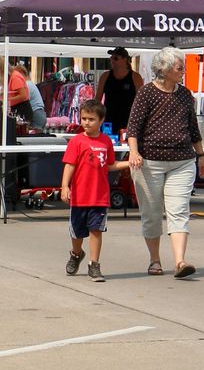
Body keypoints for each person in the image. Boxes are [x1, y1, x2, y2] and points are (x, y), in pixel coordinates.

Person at [126, 46, 204, 279]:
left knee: (179, 211)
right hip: (149, 163)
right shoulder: (146, 93)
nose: (183, 71)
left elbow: (193, 129)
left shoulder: (184, 94)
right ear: (165, 69)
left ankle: (180, 262)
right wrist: (134, 152)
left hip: (182, 161)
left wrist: (201, 156)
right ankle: (155, 260)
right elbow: (134, 127)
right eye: (180, 67)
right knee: (151, 214)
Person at [61, 99, 130, 282]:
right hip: (79, 196)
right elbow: (69, 165)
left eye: (91, 119)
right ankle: (76, 254)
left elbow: (110, 164)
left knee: (96, 230)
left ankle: (94, 265)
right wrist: (65, 186)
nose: (86, 122)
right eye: (84, 118)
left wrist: (129, 163)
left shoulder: (106, 141)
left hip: (99, 196)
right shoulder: (76, 141)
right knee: (77, 232)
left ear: (101, 121)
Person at [95, 46, 144, 134]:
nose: (112, 60)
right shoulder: (105, 76)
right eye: (111, 58)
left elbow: (141, 101)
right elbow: (97, 99)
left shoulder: (135, 77)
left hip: (129, 120)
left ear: (125, 59)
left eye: (116, 58)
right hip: (109, 120)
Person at [0, 56, 33, 125]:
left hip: (22, 111)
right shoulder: (11, 77)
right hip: (17, 109)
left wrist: (7, 100)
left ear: (0, 67)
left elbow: (23, 96)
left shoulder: (15, 77)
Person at [17, 64, 46, 131]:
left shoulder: (27, 85)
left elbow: (23, 102)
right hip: (39, 114)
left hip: (36, 114)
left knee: (33, 138)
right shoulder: (29, 84)